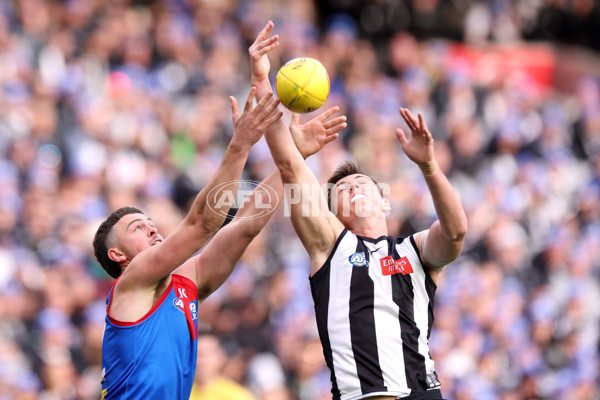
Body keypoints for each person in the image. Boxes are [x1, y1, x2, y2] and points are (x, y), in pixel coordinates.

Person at [252, 21, 468, 400]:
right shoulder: (329, 247)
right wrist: (261, 81)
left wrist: (429, 166)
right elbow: (289, 166)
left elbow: (455, 233)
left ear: (384, 200)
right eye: (342, 190)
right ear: (332, 213)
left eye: (361, 183)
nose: (352, 188)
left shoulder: (413, 251)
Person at [93, 84, 345, 400]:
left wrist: (291, 160)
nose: (153, 230)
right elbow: (203, 223)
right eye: (137, 228)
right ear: (117, 255)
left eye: (152, 223)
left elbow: (245, 226)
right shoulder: (131, 282)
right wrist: (241, 142)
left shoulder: (185, 283)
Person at [189, 332, 256, 400]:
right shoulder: (180, 392)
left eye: (207, 354)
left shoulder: (238, 395)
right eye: (197, 354)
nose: (201, 360)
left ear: (220, 357)